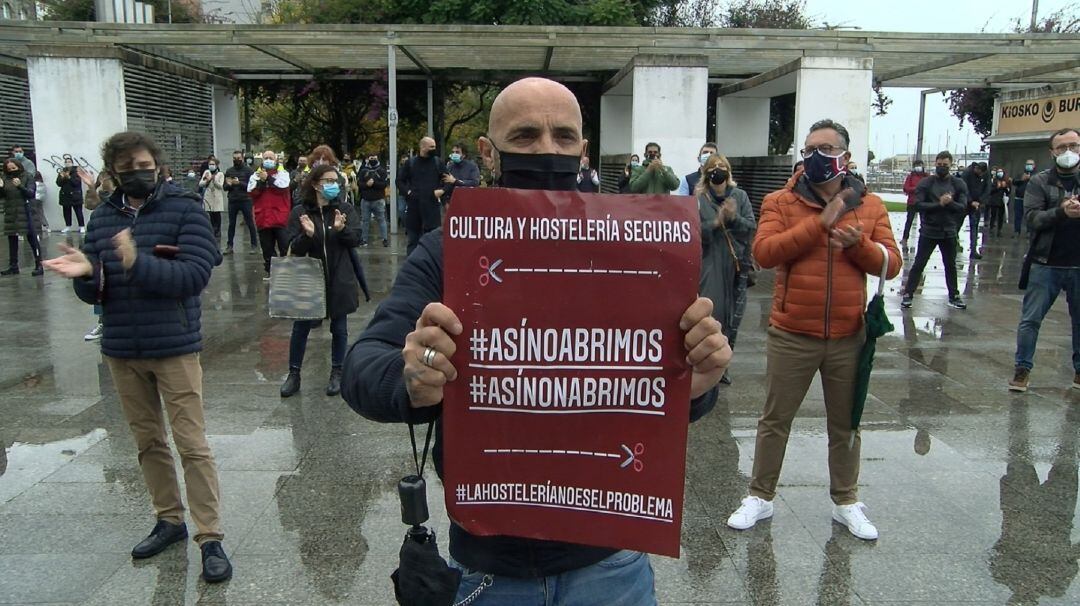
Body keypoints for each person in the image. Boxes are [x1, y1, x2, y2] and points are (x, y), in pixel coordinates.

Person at [341, 77, 731, 605]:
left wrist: (697, 384)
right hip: (490, 568)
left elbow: (650, 391)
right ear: (488, 151)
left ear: (583, 150)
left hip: (610, 560)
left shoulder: (639, 253)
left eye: (564, 137)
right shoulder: (448, 249)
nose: (547, 149)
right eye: (525, 136)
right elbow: (362, 366)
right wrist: (411, 376)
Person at [42, 131, 232, 583]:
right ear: (114, 172)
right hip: (123, 348)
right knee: (148, 441)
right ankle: (169, 519)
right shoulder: (103, 218)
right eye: (125, 168)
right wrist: (86, 276)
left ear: (158, 165)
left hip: (174, 347)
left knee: (192, 444)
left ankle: (210, 536)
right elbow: (96, 285)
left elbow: (192, 275)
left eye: (142, 164)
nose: (136, 173)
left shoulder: (185, 208)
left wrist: (134, 261)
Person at [726, 119, 901, 541]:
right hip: (792, 331)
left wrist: (857, 245)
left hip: (848, 335)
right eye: (808, 149)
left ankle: (846, 500)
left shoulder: (871, 205)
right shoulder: (780, 201)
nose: (815, 157)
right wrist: (820, 223)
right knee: (774, 420)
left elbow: (890, 265)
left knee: (846, 424)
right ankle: (760, 495)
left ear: (844, 155)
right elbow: (764, 253)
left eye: (824, 148)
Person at [279, 164, 362, 398]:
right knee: (301, 326)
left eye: (335, 181)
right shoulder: (300, 212)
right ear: (315, 184)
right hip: (309, 278)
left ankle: (338, 371)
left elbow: (356, 238)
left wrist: (341, 229)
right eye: (327, 181)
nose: (333, 185)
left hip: (339, 275)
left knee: (339, 326)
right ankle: (294, 374)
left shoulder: (344, 209)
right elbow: (291, 246)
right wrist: (307, 236)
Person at [1008, 128, 1080, 393]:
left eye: (1074, 145)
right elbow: (1032, 219)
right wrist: (1061, 211)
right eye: (1062, 147)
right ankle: (1022, 370)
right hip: (1045, 262)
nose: (1068, 152)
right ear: (1052, 152)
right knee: (1030, 320)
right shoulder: (1039, 182)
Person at [695, 153, 756, 376]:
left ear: (728, 172)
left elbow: (750, 227)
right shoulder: (699, 199)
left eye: (722, 166)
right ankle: (710, 362)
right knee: (713, 312)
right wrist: (715, 223)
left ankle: (725, 363)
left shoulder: (739, 196)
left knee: (734, 316)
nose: (718, 170)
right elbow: (694, 232)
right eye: (713, 167)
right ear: (706, 172)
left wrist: (733, 218)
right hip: (710, 264)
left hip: (737, 265)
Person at [900, 151, 969, 310]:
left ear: (950, 165)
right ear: (935, 164)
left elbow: (962, 207)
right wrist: (939, 204)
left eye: (945, 165)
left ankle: (954, 295)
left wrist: (949, 203)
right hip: (929, 231)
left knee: (950, 264)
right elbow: (918, 204)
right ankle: (908, 294)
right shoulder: (926, 182)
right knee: (919, 264)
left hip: (949, 231)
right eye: (939, 165)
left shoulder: (958, 184)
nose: (942, 167)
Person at [248, 150, 292, 277]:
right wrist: (262, 181)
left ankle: (286, 271)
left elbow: (282, 189)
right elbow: (253, 193)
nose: (268, 160)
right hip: (263, 218)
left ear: (276, 159)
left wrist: (268, 179)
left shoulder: (283, 174)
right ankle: (270, 271)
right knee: (267, 248)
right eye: (266, 158)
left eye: (270, 158)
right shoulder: (255, 175)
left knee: (284, 246)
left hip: (280, 217)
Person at [396, 136, 443, 255]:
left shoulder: (438, 162)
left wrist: (442, 191)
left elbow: (448, 180)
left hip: (432, 207)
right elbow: (399, 180)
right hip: (414, 207)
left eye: (435, 147)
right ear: (422, 147)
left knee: (433, 240)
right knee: (413, 240)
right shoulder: (411, 163)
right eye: (431, 147)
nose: (434, 149)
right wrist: (408, 192)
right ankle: (411, 266)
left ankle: (431, 265)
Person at [1, 157, 42, 276]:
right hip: (11, 212)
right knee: (12, 239)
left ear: (19, 166)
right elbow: (3, 196)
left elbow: (31, 193)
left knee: (32, 238)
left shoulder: (27, 176)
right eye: (9, 169)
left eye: (14, 168)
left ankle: (39, 264)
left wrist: (20, 186)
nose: (12, 170)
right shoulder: (5, 178)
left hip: (26, 211)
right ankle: (13, 266)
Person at [223, 150, 257, 255]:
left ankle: (254, 245)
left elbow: (251, 186)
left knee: (250, 223)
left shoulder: (249, 171)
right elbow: (225, 188)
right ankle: (229, 246)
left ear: (242, 159)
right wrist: (229, 184)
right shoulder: (229, 171)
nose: (236, 160)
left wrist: (239, 183)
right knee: (231, 224)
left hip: (245, 200)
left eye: (238, 158)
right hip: (233, 200)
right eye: (234, 158)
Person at [357, 153, 389, 247]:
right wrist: (367, 185)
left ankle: (385, 239)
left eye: (374, 158)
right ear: (368, 159)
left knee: (381, 219)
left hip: (378, 199)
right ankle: (364, 240)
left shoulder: (382, 171)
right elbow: (359, 184)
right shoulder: (363, 171)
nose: (372, 160)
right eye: (371, 158)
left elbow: (384, 184)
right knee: (365, 220)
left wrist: (374, 183)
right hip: (365, 199)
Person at [962, 161, 989, 259]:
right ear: (976, 168)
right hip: (965, 203)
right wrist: (970, 201)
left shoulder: (986, 174)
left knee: (974, 227)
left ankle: (973, 250)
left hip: (977, 204)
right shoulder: (967, 173)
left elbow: (987, 188)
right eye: (979, 171)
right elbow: (963, 189)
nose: (980, 174)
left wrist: (980, 201)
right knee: (956, 225)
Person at [900, 160, 928, 247]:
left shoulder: (927, 176)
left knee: (924, 222)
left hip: (923, 202)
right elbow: (906, 188)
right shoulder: (910, 177)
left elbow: (929, 187)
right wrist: (916, 189)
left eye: (920, 165)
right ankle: (905, 238)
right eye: (917, 165)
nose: (918, 167)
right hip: (912, 202)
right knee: (909, 221)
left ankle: (924, 238)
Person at [56, 158, 86, 234]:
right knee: (66, 212)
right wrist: (62, 178)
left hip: (75, 195)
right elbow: (58, 183)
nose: (67, 163)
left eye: (69, 162)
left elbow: (76, 183)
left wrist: (69, 177)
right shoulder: (62, 171)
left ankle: (82, 226)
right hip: (65, 195)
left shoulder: (77, 172)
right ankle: (68, 226)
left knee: (78, 212)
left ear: (72, 163)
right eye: (66, 162)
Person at [200, 157, 226, 243]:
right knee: (210, 213)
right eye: (210, 164)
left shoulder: (220, 174)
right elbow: (201, 184)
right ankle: (212, 229)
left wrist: (214, 180)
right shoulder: (206, 172)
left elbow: (221, 186)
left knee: (217, 213)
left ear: (216, 165)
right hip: (209, 195)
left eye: (213, 164)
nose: (211, 166)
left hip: (217, 195)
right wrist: (207, 180)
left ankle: (218, 230)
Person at [1011, 159, 1036, 238]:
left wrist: (1030, 178)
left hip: (1030, 199)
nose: (1029, 166)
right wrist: (1021, 179)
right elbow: (1014, 181)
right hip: (1019, 198)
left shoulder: (1037, 175)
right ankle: (1016, 231)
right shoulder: (1020, 174)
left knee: (1029, 216)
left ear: (1034, 166)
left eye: (1031, 164)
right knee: (1018, 216)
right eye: (1027, 164)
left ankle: (1029, 232)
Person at [987, 167, 1011, 238]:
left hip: (1002, 201)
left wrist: (1005, 187)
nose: (1000, 173)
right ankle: (991, 228)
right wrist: (997, 187)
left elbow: (1008, 191)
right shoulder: (993, 181)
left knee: (1001, 216)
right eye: (999, 172)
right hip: (994, 201)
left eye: (1001, 172)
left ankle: (999, 230)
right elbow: (990, 191)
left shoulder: (1006, 181)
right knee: (993, 215)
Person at [33, 171, 48, 236]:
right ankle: (46, 226)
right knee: (41, 212)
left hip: (34, 199)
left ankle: (37, 227)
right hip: (40, 200)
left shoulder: (34, 183)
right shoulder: (42, 184)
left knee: (34, 214)